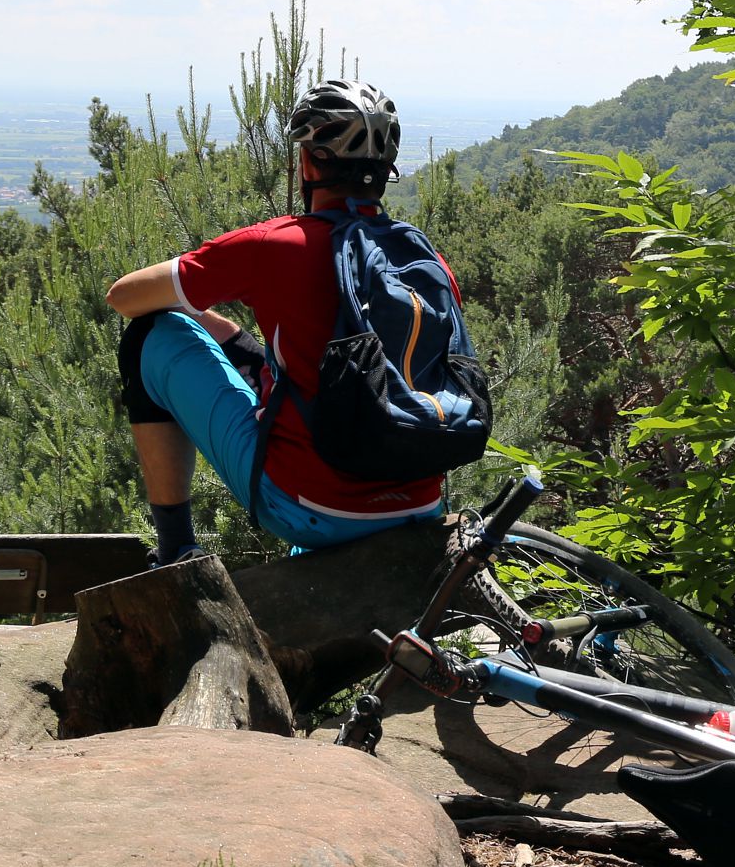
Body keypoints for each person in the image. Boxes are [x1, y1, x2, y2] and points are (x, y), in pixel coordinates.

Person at [104, 80, 465, 563]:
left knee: (148, 333)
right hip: (420, 505)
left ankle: (174, 550)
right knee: (255, 359)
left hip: (310, 511)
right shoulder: (425, 260)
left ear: (308, 163)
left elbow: (124, 297)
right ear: (385, 172)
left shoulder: (274, 244)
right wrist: (239, 344)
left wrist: (187, 308)